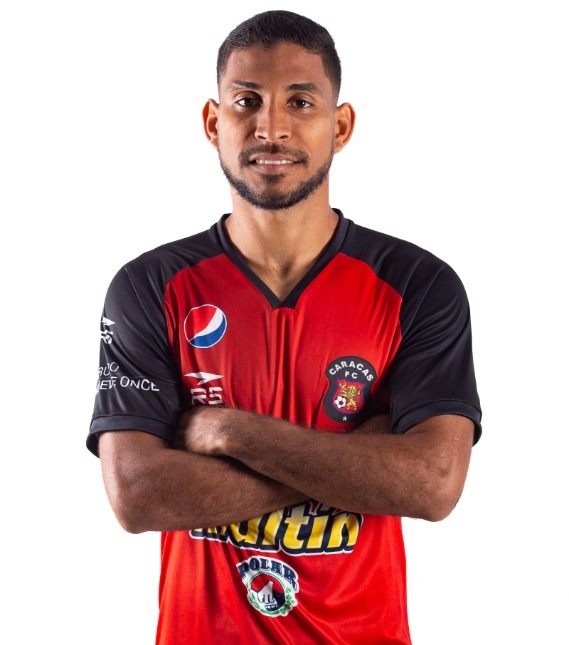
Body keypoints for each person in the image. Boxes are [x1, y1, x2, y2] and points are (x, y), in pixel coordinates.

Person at [88, 10, 482, 644]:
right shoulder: (149, 287)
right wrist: (359, 456)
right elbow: (138, 496)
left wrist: (228, 432)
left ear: (340, 125)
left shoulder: (418, 285)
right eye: (247, 101)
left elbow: (432, 485)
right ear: (214, 122)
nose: (271, 127)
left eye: (300, 102)